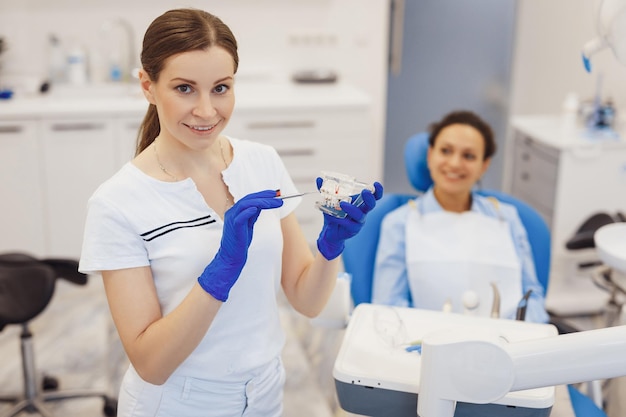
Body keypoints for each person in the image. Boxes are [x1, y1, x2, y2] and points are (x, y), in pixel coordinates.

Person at [78, 8, 382, 417]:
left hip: (266, 392)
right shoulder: (117, 203)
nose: (206, 111)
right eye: (184, 88)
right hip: (179, 403)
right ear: (148, 86)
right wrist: (222, 268)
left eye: (221, 88)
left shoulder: (262, 162)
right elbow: (151, 364)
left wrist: (330, 247)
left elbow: (306, 301)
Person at [372, 110, 548, 323]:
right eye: (446, 151)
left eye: (469, 156)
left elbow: (532, 295)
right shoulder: (399, 222)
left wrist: (527, 340)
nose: (455, 164)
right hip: (426, 345)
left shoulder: (507, 218)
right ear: (430, 156)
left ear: (484, 165)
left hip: (506, 344)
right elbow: (388, 306)